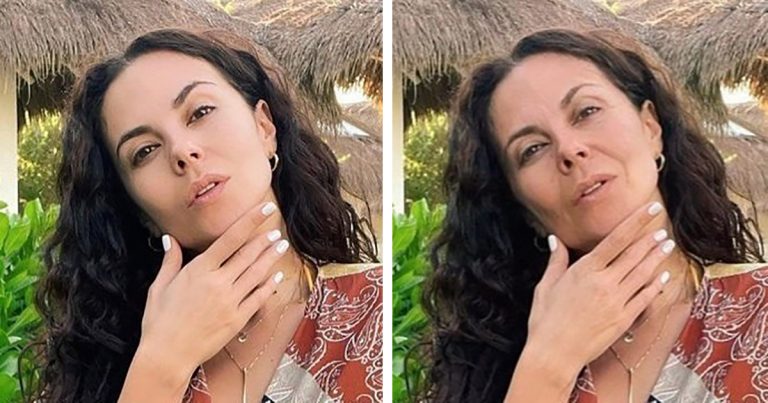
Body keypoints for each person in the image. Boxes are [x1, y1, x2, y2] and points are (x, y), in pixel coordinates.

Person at [31, 29, 382, 403]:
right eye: (145, 151)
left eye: (200, 112)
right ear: (137, 209)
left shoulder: (372, 309)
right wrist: (161, 364)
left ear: (265, 128)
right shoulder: (102, 366)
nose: (182, 151)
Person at [425, 28, 766, 402]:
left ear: (651, 128)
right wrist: (549, 363)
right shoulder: (494, 368)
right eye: (532, 149)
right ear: (524, 210)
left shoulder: (756, 312)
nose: (569, 149)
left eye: (587, 112)